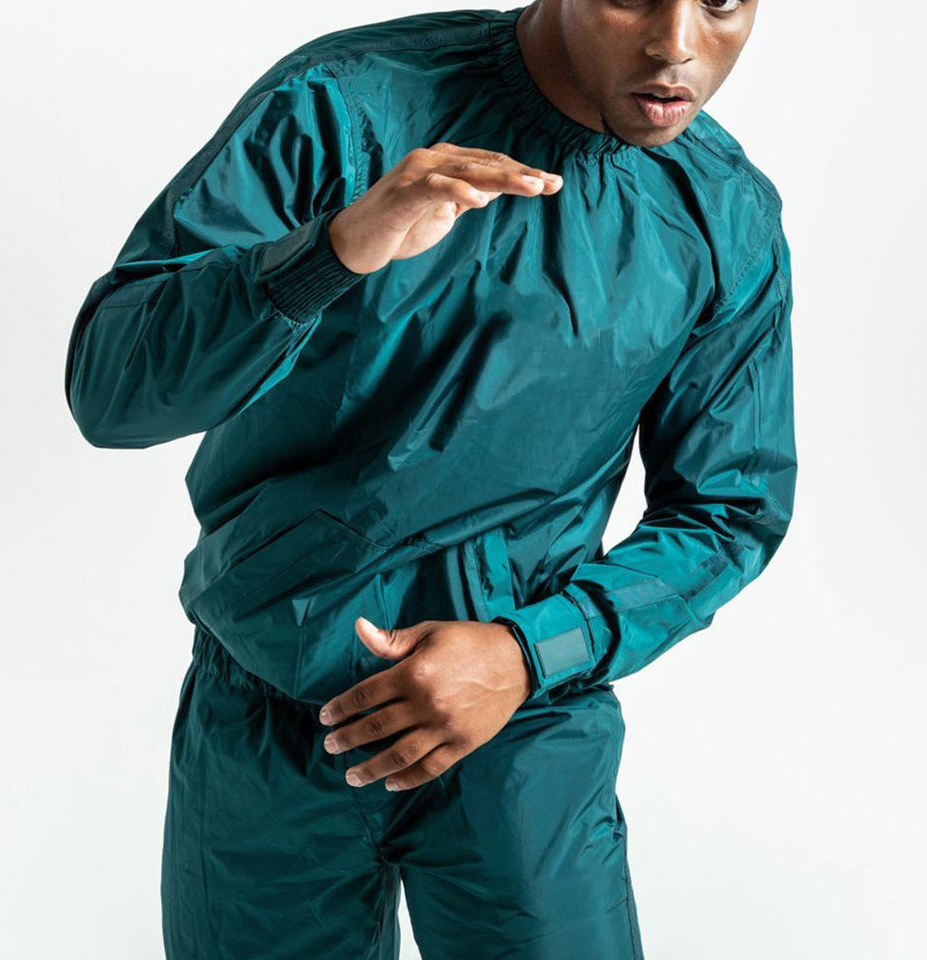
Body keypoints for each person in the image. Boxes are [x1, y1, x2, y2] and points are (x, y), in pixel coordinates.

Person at [64, 2, 796, 957]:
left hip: (522, 734)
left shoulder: (723, 214)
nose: (677, 43)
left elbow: (730, 509)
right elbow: (112, 391)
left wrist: (529, 652)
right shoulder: (342, 107)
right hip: (268, 724)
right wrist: (328, 254)